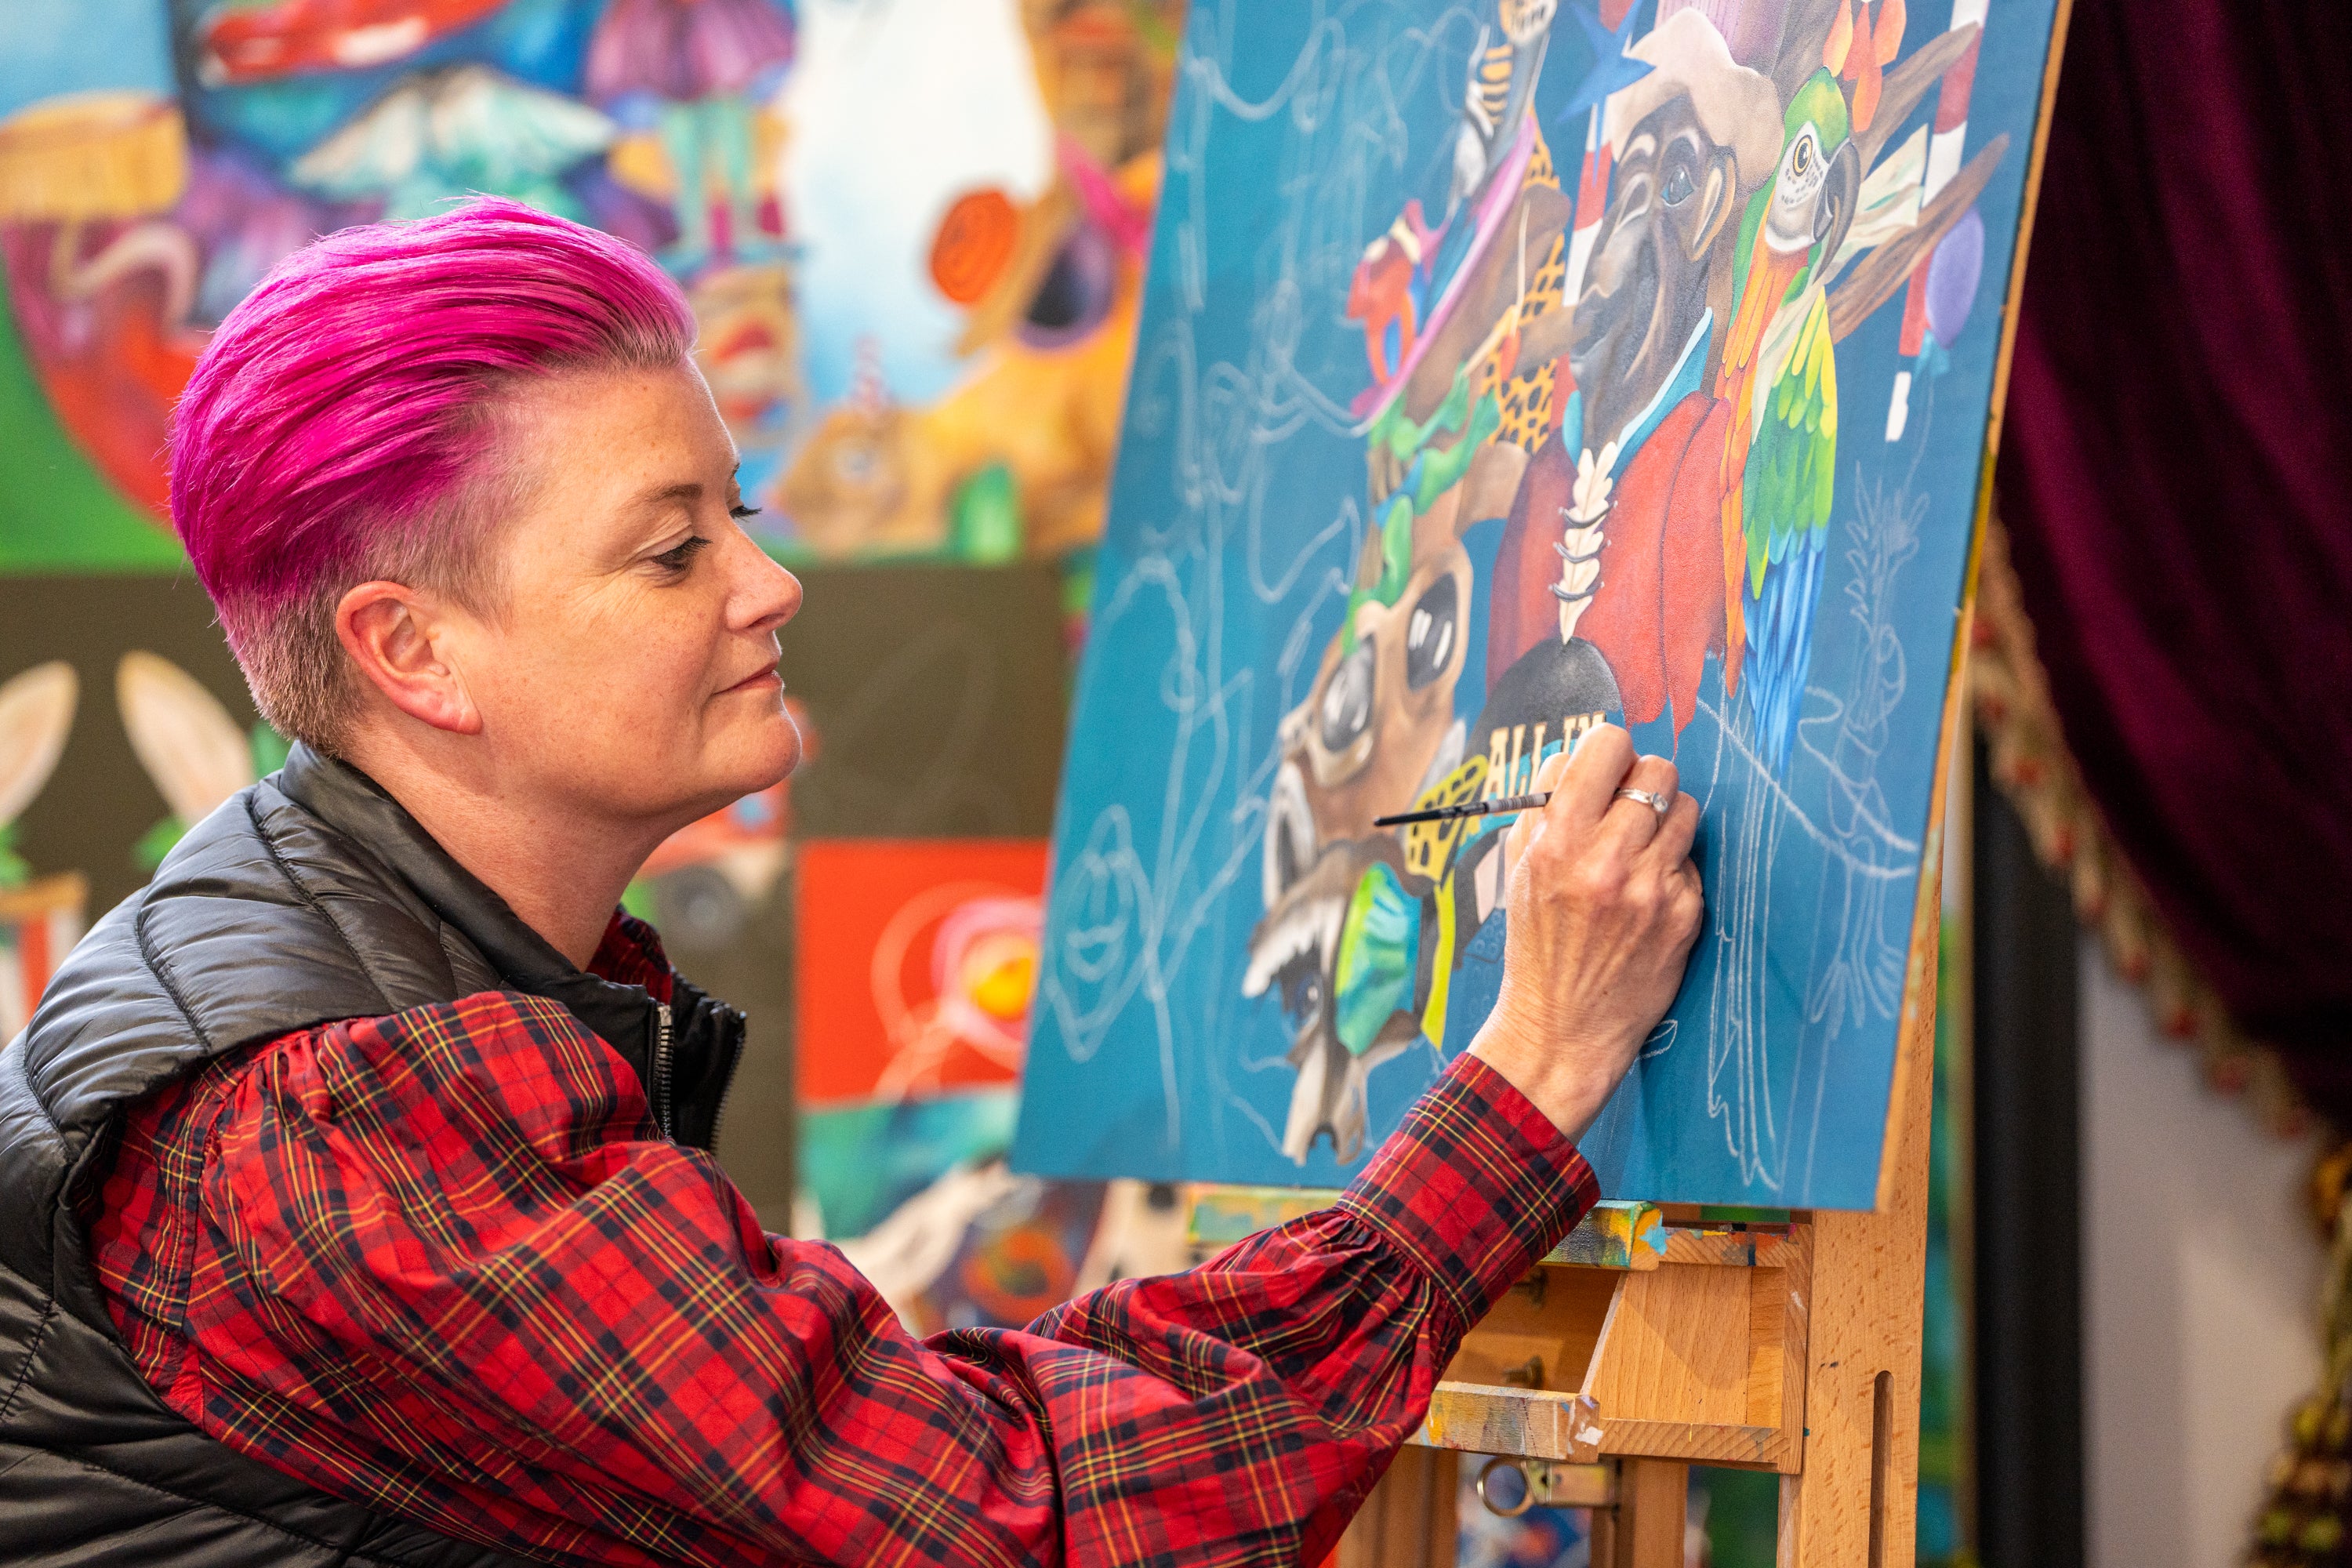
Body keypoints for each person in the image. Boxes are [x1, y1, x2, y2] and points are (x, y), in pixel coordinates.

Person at [0, 201, 1703, 1567]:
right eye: (673, 549)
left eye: (737, 513)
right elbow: (1006, 1524)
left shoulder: (377, 986)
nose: (770, 583)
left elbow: (906, 1436)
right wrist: (1534, 1073)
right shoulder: (353, 1112)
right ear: (413, 652)